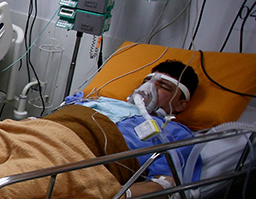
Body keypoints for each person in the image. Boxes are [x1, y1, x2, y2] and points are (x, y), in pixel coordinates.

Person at [64, 59, 202, 187]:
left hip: (78, 164)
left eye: (163, 86)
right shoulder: (101, 101)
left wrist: (116, 195)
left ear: (181, 105)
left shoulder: (173, 133)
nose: (148, 88)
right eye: (146, 81)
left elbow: (163, 185)